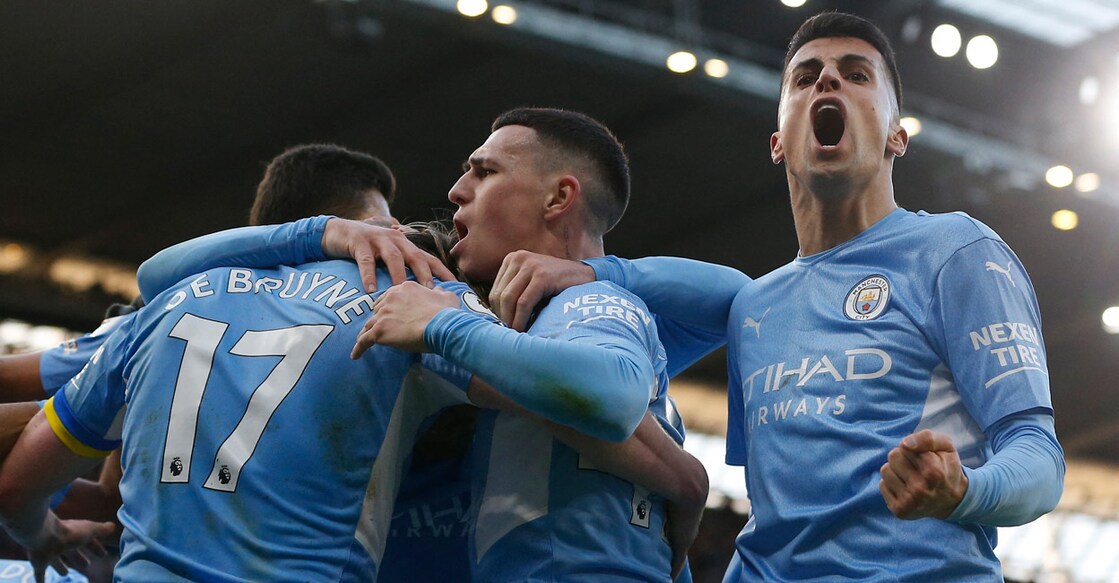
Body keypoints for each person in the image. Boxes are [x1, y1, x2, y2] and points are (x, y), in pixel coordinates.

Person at [485, 12, 1065, 581]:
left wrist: (965, 489)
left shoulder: (954, 251)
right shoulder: (756, 309)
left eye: (857, 74)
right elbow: (780, 518)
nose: (828, 81)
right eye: (805, 77)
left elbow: (1038, 456)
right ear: (778, 142)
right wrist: (598, 274)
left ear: (897, 135)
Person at [137, 109, 712, 581]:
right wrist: (319, 230)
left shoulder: (558, 314)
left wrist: (598, 274)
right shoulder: (407, 321)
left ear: (557, 198)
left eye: (482, 172)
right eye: (371, 233)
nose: (455, 190)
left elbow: (733, 309)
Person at [0, 143, 477, 581]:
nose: (397, 233)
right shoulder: (411, 303)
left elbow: (55, 486)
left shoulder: (167, 304)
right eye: (383, 223)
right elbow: (543, 389)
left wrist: (48, 532)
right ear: (348, 232)